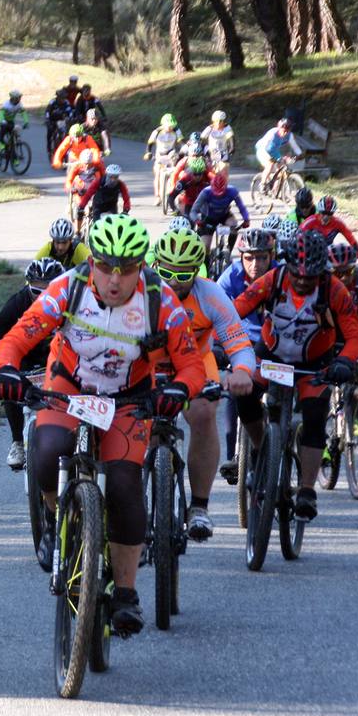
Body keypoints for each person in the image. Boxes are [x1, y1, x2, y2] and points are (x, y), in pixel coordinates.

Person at [0, 214, 207, 633]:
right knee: (48, 451)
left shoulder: (160, 300)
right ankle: (58, 519)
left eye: (126, 268)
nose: (114, 278)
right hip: (67, 387)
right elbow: (17, 337)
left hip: (128, 400)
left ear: (140, 266)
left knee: (126, 486)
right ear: (93, 262)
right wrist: (5, 371)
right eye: (105, 265)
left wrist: (178, 390)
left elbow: (191, 367)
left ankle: (125, 592)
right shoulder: (67, 288)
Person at [232, 230, 358, 522]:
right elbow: (236, 310)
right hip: (271, 355)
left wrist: (344, 361)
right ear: (288, 267)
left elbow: (355, 337)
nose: (304, 281)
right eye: (298, 275)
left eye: (311, 276)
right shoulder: (273, 280)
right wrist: (223, 342)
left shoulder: (333, 290)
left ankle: (307, 490)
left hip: (314, 364)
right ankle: (260, 451)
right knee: (243, 396)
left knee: (315, 416)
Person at [149, 230, 257, 540]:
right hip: (149, 364)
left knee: (203, 412)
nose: (173, 280)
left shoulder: (209, 295)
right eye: (166, 272)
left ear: (197, 271)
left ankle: (198, 506)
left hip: (196, 363)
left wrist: (242, 372)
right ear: (155, 265)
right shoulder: (140, 290)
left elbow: (238, 343)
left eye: (183, 274)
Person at [0, 257, 64, 470]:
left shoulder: (69, 304)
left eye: (49, 292)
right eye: (36, 292)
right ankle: (18, 442)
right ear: (27, 286)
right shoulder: (17, 303)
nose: (42, 298)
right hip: (27, 361)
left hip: (58, 361)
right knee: (8, 382)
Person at [217, 227, 278, 478]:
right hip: (240, 343)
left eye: (262, 257)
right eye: (249, 258)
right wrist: (217, 347)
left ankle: (283, 440)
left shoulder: (281, 275)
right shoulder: (230, 277)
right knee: (235, 391)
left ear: (271, 256)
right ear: (240, 257)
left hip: (275, 344)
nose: (255, 264)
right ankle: (234, 455)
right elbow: (218, 314)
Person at [190, 171, 250, 255]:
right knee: (205, 246)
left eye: (221, 193)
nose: (218, 195)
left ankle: (229, 249)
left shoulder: (232, 191)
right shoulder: (205, 192)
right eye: (216, 193)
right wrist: (197, 220)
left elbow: (241, 207)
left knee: (234, 226)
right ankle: (206, 264)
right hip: (208, 218)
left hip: (224, 215)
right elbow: (193, 211)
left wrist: (246, 219)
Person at [144, 113, 185, 203]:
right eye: (168, 126)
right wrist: (148, 153)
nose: (170, 128)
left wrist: (185, 149)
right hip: (160, 154)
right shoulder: (157, 131)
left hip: (171, 152)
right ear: (163, 125)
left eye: (172, 126)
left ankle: (174, 193)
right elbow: (150, 144)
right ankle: (158, 196)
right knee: (157, 173)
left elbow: (181, 142)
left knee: (175, 171)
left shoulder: (176, 130)